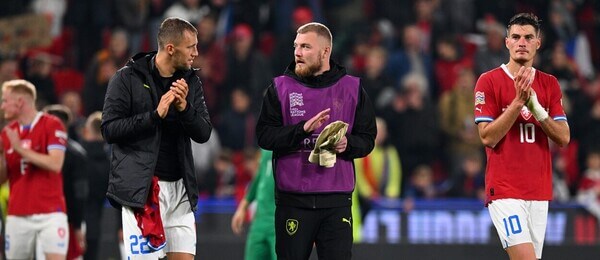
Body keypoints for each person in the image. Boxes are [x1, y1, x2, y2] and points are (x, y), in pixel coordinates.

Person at [256, 22, 376, 260]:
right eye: (296, 46)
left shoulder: (353, 89)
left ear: (325, 51)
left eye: (306, 47)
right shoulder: (279, 88)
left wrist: (347, 145)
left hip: (336, 201)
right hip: (293, 201)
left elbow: (368, 139)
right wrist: (301, 130)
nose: (297, 53)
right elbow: (264, 136)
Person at [101, 17, 212, 259]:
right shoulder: (126, 78)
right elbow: (109, 129)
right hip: (144, 193)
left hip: (180, 191)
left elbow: (204, 133)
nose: (196, 52)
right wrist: (154, 116)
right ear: (171, 49)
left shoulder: (190, 81)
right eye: (191, 46)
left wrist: (185, 110)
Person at [474, 13, 570, 260]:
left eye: (528, 37)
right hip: (504, 190)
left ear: (538, 43)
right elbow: (487, 137)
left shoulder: (549, 84)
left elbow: (563, 137)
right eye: (516, 37)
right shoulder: (489, 81)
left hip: (539, 191)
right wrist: (518, 103)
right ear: (507, 42)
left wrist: (537, 109)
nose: (522, 42)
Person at [0, 79, 69, 260]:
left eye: (5, 100)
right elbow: (2, 178)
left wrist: (20, 149)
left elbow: (55, 164)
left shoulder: (51, 124)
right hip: (17, 213)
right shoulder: (7, 133)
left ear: (20, 102)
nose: (2, 106)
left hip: (51, 213)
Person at [43, 104, 89, 260]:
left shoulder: (75, 155)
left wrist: (77, 226)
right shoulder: (40, 151)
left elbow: (79, 194)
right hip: (45, 217)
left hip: (66, 221)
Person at [231, 149, 276, 260]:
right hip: (259, 221)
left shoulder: (290, 139)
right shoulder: (266, 146)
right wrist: (243, 207)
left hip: (281, 219)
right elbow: (259, 177)